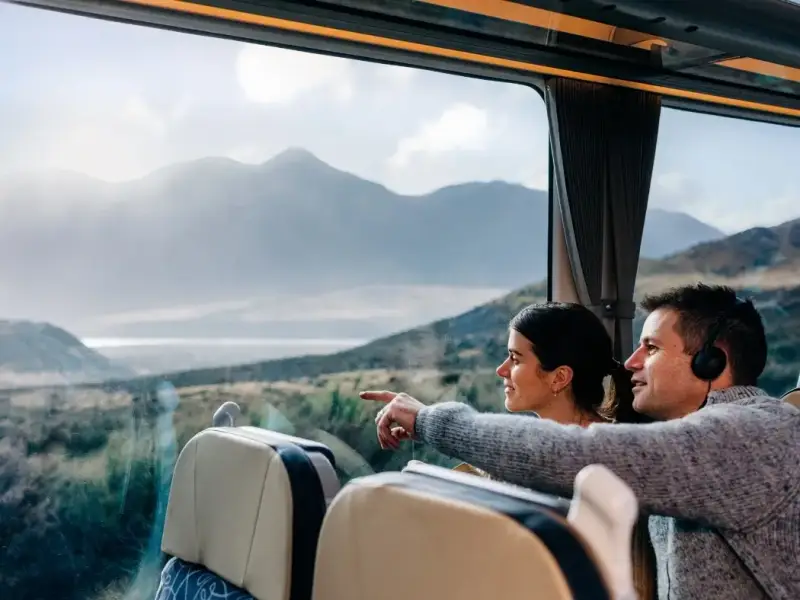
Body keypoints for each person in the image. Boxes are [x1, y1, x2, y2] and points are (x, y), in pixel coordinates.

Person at [360, 284, 799, 600]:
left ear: (713, 360)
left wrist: (428, 421)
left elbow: (576, 456)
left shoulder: (751, 436)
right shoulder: (700, 448)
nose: (630, 362)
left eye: (651, 348)